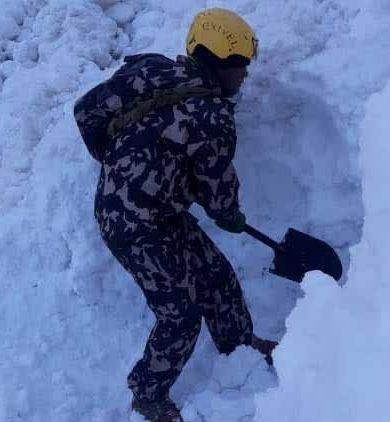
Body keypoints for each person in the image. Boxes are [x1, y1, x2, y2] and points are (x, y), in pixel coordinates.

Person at [74, 8, 277, 422]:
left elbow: (86, 110)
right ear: (220, 66)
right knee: (180, 314)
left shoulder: (149, 71)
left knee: (217, 277)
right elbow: (216, 190)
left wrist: (114, 159)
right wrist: (228, 214)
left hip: (161, 212)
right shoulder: (213, 116)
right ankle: (147, 394)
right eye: (240, 67)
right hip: (130, 227)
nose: (244, 76)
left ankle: (238, 347)